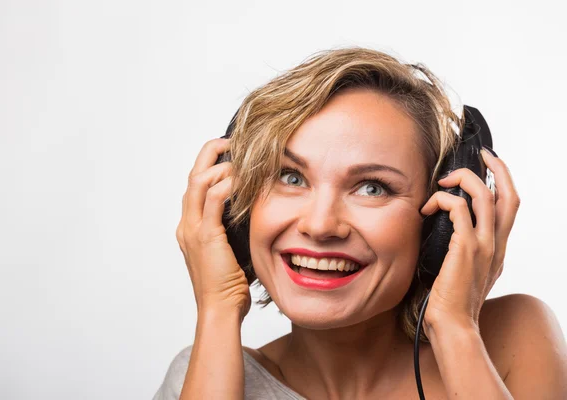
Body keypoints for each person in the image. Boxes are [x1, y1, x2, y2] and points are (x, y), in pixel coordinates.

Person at [154, 47, 567, 399]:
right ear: (234, 210)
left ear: (441, 220)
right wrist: (219, 308)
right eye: (291, 178)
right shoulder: (206, 370)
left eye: (372, 188)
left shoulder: (513, 340)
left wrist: (455, 330)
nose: (320, 225)